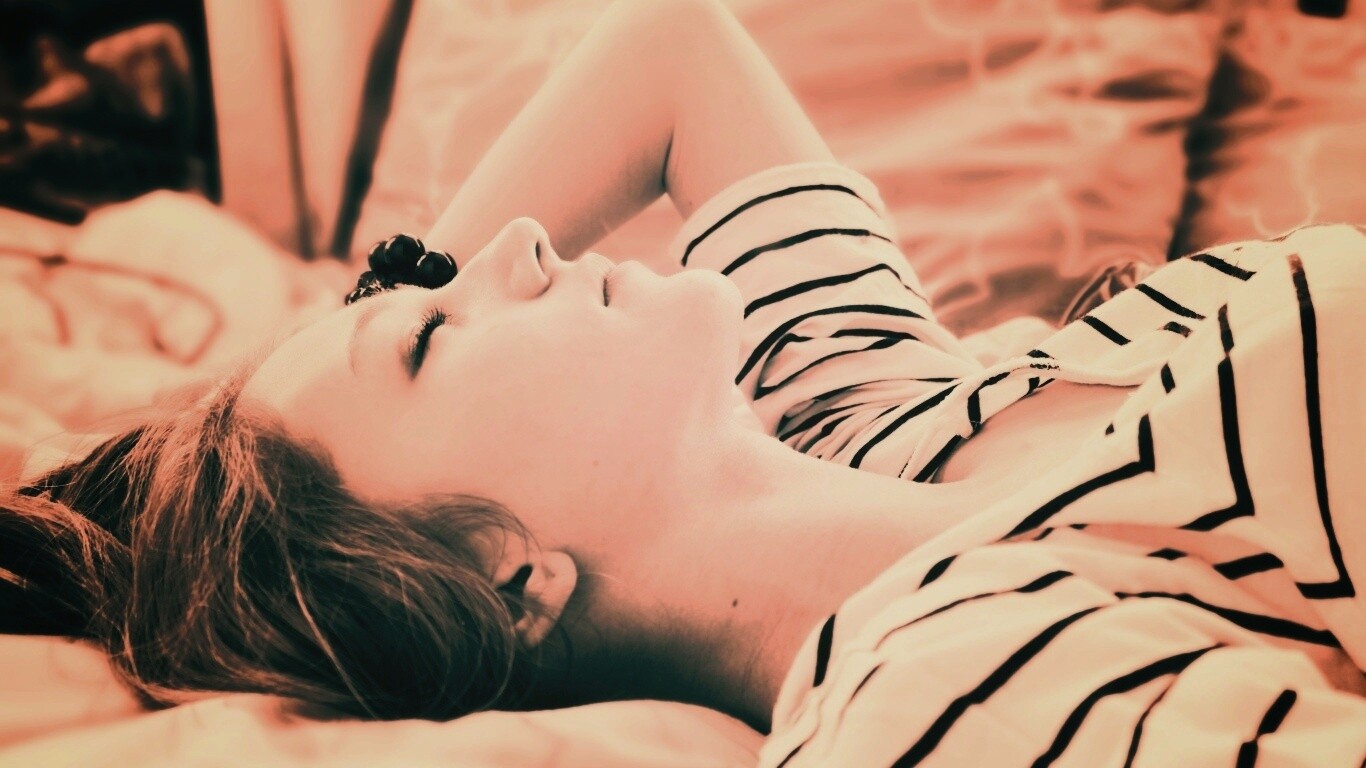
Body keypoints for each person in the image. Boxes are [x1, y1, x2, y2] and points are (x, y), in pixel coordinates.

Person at [4, 0, 1363, 764]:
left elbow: (668, 49)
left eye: (425, 285)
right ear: (505, 581)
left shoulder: (870, 409)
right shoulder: (949, 687)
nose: (515, 243)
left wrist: (377, 310)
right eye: (431, 336)